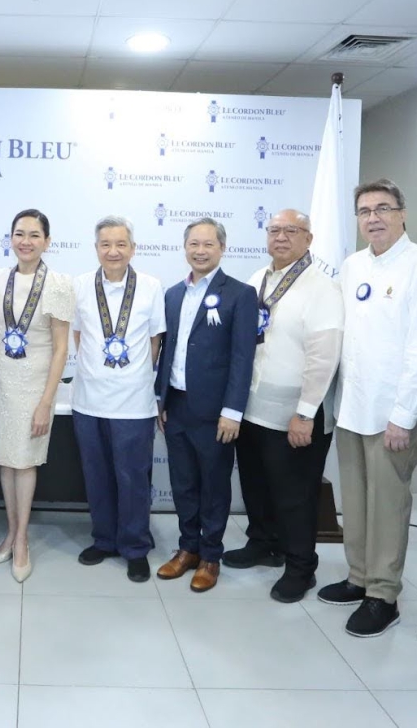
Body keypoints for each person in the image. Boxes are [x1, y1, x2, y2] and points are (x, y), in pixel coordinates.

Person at [319, 178, 417, 637]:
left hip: (396, 415)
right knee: (354, 501)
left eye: (382, 208)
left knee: (388, 504)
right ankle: (358, 578)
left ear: (402, 213)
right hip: (352, 407)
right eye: (364, 211)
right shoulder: (352, 266)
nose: (372, 217)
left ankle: (383, 594)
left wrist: (405, 414)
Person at [227, 209, 343, 603]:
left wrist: (305, 412)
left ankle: (300, 567)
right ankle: (263, 543)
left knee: (295, 495)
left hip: (295, 413)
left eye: (291, 231)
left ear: (308, 239)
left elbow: (324, 357)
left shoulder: (321, 286)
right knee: (257, 486)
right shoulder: (257, 279)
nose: (280, 237)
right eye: (274, 230)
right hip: (254, 406)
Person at [154, 218, 256, 593]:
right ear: (185, 248)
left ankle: (211, 555)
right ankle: (188, 549)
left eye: (208, 244)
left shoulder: (240, 294)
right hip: (176, 405)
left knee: (214, 485)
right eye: (193, 244)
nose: (200, 250)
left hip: (215, 413)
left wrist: (233, 411)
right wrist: (160, 397)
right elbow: (167, 351)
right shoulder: (172, 295)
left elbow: (243, 358)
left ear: (222, 248)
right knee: (183, 483)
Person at [72, 215, 166, 583]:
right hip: (88, 399)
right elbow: (78, 336)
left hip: (134, 400)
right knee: (96, 476)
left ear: (133, 248)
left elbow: (155, 340)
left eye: (121, 244)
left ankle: (135, 547)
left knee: (132, 478)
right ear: (96, 248)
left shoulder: (150, 286)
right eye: (105, 244)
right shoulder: (80, 286)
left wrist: (133, 374)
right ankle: (105, 539)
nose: (113, 251)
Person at [0, 209, 73, 582]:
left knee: (26, 461)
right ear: (10, 238)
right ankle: (10, 532)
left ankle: (22, 542)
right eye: (19, 233)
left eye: (35, 235)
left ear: (47, 241)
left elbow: (62, 348)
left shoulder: (59, 284)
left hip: (35, 386)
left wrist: (46, 401)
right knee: (6, 460)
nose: (26, 241)